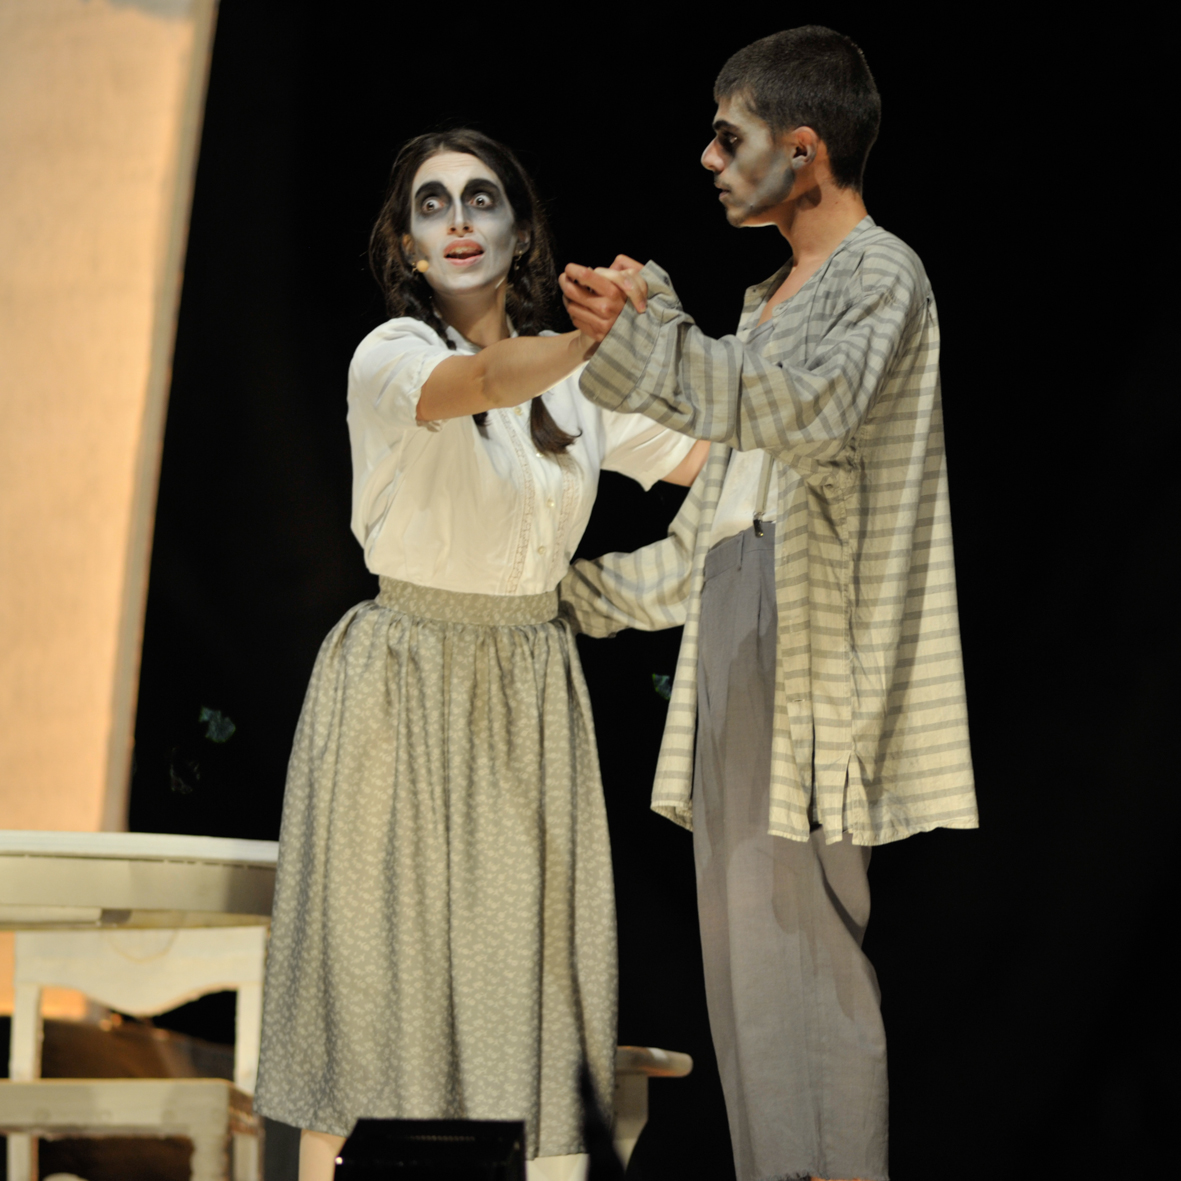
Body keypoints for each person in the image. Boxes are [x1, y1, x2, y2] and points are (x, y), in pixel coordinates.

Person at [557, 27, 978, 1181]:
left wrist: (654, 340)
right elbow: (705, 539)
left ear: (801, 150)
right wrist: (555, 598)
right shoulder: (763, 305)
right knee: (747, 979)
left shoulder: (879, 275)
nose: (707, 158)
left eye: (726, 135)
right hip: (738, 627)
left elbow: (808, 413)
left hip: (811, 649)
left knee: (807, 963)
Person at [253, 128, 708, 1181]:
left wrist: (668, 342)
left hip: (527, 691)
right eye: (431, 204)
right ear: (408, 248)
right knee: (376, 999)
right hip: (400, 685)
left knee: (526, 994)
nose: (457, 219)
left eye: (481, 198)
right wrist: (597, 339)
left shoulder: (579, 387)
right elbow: (487, 377)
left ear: (520, 233)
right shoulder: (392, 356)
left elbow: (714, 456)